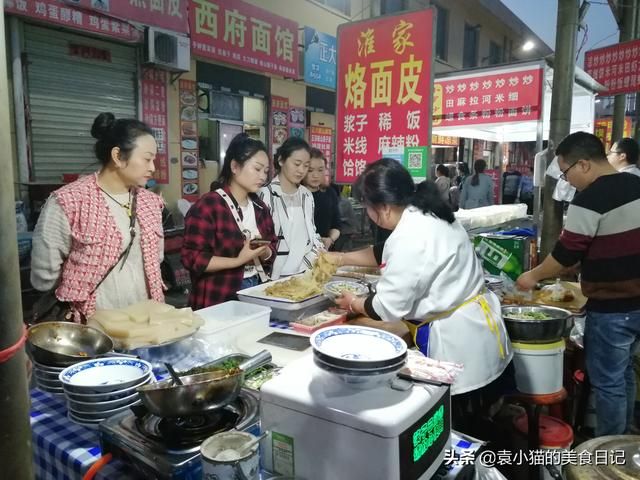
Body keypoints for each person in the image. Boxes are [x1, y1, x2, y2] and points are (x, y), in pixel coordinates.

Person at [329, 158, 512, 400]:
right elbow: (384, 251)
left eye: (367, 206)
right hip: (478, 325)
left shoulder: (410, 236)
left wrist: (353, 302)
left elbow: (386, 307)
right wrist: (340, 258)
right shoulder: (424, 211)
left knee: (460, 423)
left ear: (382, 208)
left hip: (460, 341)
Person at [517, 131, 640, 436]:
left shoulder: (592, 197)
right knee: (624, 374)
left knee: (609, 383)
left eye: (567, 172)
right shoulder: (637, 184)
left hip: (612, 307)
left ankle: (610, 453)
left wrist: (531, 276)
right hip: (636, 302)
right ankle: (624, 439)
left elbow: (567, 252)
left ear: (584, 164)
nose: (568, 181)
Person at [31, 112, 165, 320]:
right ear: (118, 156)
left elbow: (157, 259)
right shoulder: (69, 201)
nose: (152, 168)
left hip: (147, 325)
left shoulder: (151, 202)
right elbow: (43, 277)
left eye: (154, 160)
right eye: (147, 159)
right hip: (92, 330)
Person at [181, 134, 276, 309]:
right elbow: (192, 258)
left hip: (256, 288)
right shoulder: (208, 205)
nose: (262, 176)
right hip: (218, 295)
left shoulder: (260, 207)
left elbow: (272, 249)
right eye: (257, 169)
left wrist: (264, 251)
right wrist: (238, 260)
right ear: (234, 166)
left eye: (265, 171)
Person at [259, 137, 324, 279]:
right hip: (273, 274)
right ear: (281, 160)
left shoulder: (306, 195)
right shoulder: (265, 194)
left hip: (304, 272)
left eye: (306, 166)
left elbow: (312, 233)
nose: (301, 170)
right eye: (297, 164)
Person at [303, 149, 341, 250]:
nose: (315, 175)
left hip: (325, 250)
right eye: (310, 170)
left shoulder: (330, 192)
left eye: (320, 170)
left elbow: (336, 224)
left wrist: (330, 239)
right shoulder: (296, 194)